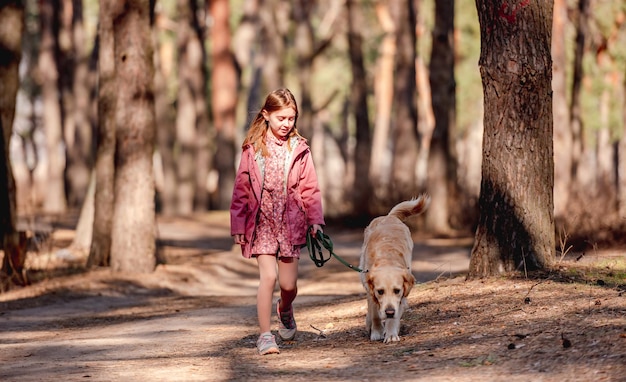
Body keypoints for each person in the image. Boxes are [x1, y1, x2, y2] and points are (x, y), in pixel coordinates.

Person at [230, 88, 325, 355]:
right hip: (261, 221)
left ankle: (284, 308)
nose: (286, 124)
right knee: (268, 277)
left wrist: (315, 220)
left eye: (291, 118)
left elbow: (310, 187)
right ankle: (265, 335)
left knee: (288, 285)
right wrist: (238, 225)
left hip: (291, 222)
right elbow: (242, 189)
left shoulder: (299, 149)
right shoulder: (253, 149)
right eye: (281, 118)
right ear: (266, 115)